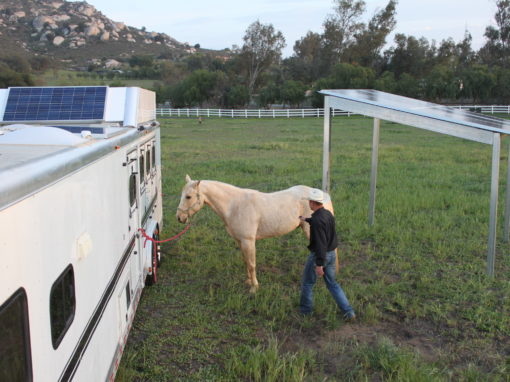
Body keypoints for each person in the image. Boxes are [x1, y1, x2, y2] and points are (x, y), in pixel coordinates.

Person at [298, 188, 356, 321]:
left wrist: (319, 264)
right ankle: (348, 311)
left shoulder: (317, 221)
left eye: (309, 202)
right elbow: (321, 224)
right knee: (332, 284)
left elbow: (320, 244)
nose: (309, 204)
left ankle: (305, 311)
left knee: (307, 283)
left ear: (313, 203)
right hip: (332, 254)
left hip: (321, 256)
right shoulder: (327, 214)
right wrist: (306, 219)